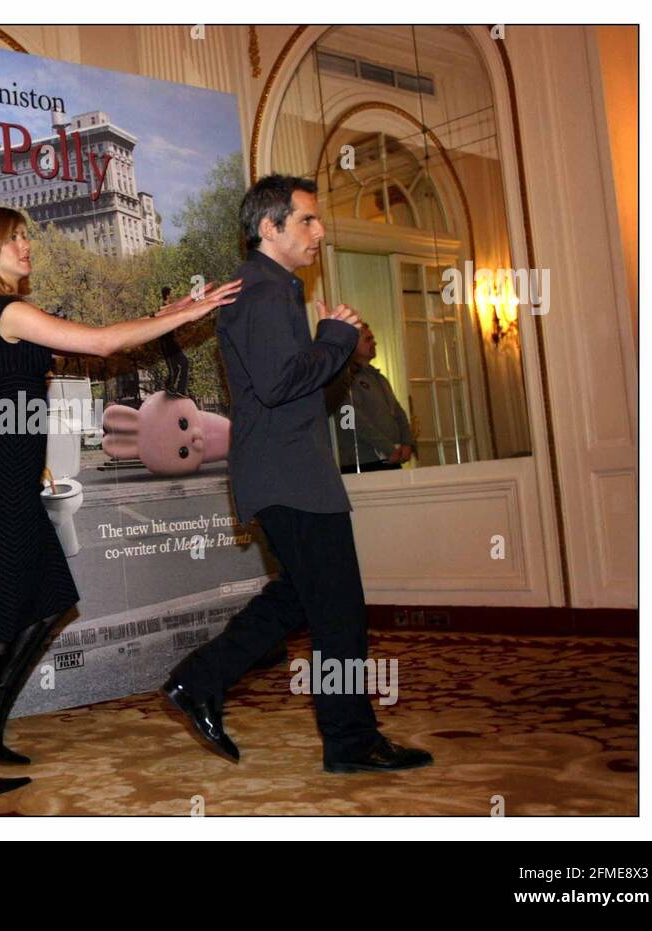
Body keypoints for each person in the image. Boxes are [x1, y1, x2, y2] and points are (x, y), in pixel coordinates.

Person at [0, 206, 242, 797]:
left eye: (26, 235)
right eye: (14, 239)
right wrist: (197, 310)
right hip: (2, 479)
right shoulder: (10, 312)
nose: (26, 246)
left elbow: (83, 348)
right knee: (1, 620)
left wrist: (167, 315)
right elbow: (102, 344)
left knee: (53, 599)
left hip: (12, 474)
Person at [163, 174, 433, 774]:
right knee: (339, 613)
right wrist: (335, 337)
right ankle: (349, 741)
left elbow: (288, 383)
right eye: (306, 220)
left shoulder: (272, 289)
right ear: (270, 227)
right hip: (289, 477)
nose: (319, 231)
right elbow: (280, 384)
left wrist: (330, 344)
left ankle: (200, 678)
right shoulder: (262, 293)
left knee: (300, 600)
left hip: (293, 473)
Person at [324, 324, 416, 473]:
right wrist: (388, 449)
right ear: (352, 344)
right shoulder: (342, 380)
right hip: (364, 463)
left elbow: (398, 413)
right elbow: (353, 420)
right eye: (368, 339)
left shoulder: (378, 378)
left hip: (390, 459)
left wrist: (407, 443)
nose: (374, 343)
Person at [157, 286, 190, 396]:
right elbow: (163, 310)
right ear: (167, 295)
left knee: (180, 366)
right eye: (171, 294)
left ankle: (176, 389)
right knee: (177, 367)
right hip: (167, 343)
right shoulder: (163, 307)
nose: (173, 296)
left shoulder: (169, 308)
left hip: (171, 342)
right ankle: (173, 388)